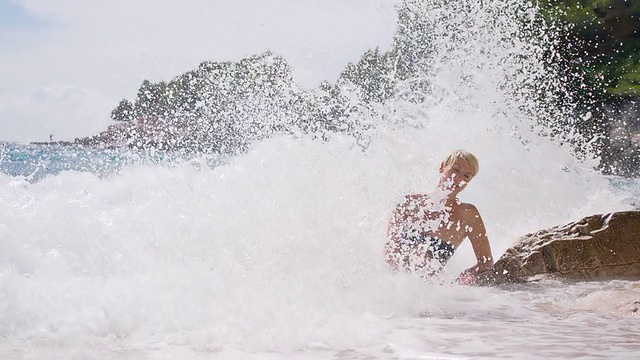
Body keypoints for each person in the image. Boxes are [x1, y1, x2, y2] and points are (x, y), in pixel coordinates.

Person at [385, 150, 493, 283]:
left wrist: (461, 280)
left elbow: (486, 264)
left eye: (466, 176)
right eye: (455, 170)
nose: (458, 178)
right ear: (442, 167)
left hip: (430, 293)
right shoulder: (408, 204)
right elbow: (389, 252)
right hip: (394, 286)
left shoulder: (468, 215)